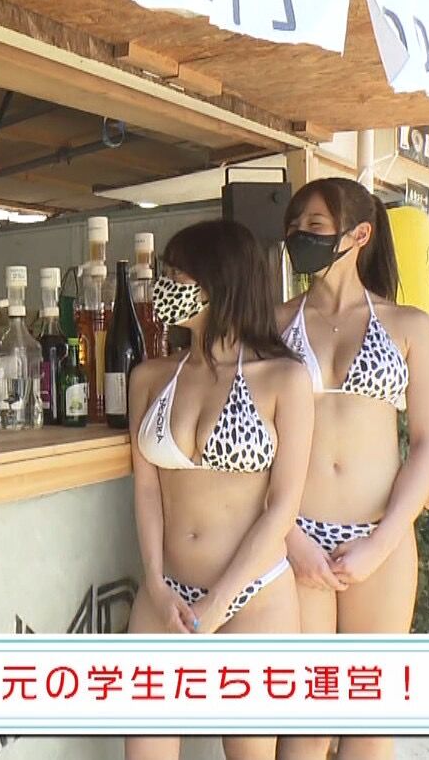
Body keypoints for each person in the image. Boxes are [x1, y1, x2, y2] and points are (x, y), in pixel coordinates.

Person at [126, 220, 313, 760]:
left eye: (177, 274)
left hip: (255, 594)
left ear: (219, 281)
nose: (164, 286)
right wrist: (155, 583)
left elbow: (282, 507)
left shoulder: (283, 378)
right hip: (165, 592)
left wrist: (220, 600)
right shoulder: (149, 377)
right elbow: (146, 491)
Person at [274, 178, 429, 760]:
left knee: (369, 720)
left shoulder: (410, 326)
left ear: (359, 233)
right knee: (307, 720)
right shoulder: (272, 324)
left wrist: (383, 540)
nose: (300, 237)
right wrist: (288, 536)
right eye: (294, 228)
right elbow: (259, 445)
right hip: (295, 534)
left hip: (379, 534)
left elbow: (428, 444)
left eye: (315, 227)